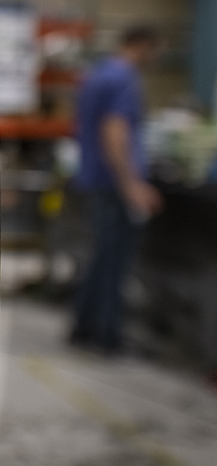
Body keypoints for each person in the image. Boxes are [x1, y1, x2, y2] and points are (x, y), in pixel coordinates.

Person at [71, 26, 164, 353]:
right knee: (114, 262)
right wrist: (132, 185)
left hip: (95, 179)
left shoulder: (97, 76)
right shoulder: (125, 79)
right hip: (114, 183)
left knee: (101, 256)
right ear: (143, 45)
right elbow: (115, 133)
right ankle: (107, 335)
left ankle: (83, 327)